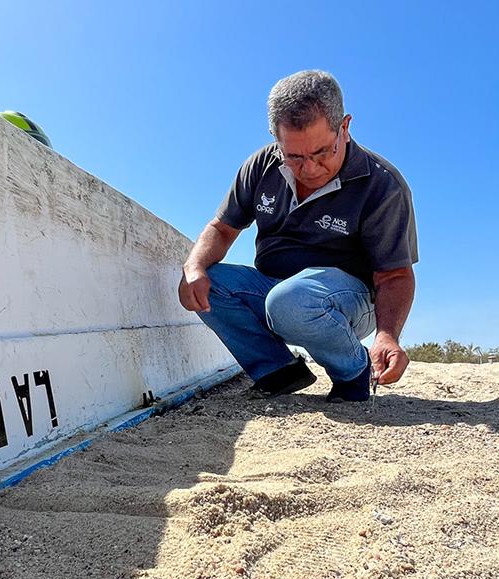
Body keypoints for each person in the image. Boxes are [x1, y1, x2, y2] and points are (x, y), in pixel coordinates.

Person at [178, 70, 417, 402]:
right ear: (276, 139)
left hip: (348, 302)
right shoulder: (260, 166)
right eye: (294, 156)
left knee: (292, 301)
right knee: (208, 282)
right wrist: (193, 267)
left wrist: (387, 336)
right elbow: (222, 228)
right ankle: (278, 370)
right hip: (277, 287)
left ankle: (353, 371)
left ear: (344, 128)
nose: (310, 169)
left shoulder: (383, 186)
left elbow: (395, 275)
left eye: (322, 152)